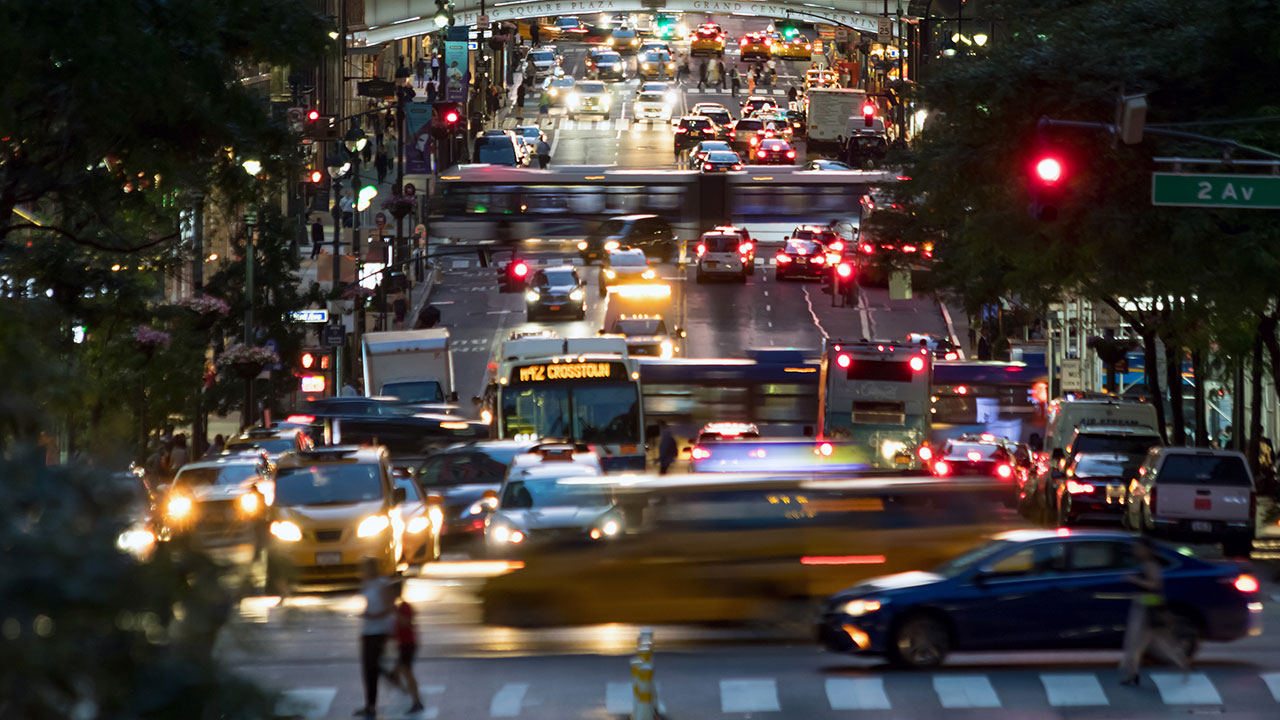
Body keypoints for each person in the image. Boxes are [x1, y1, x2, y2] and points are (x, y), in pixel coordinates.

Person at [1119, 538, 1188, 685]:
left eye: (1139, 548)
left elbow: (1154, 584)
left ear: (1147, 550)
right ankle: (1133, 672)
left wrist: (1134, 580)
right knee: (1146, 642)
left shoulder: (1151, 565)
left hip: (1147, 607)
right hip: (1145, 606)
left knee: (1140, 642)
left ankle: (1179, 662)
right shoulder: (1145, 564)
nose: (1136, 551)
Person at [354, 557, 394, 717]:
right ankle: (370, 704)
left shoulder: (382, 584)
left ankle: (394, 680)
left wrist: (374, 617)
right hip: (367, 632)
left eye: (364, 568)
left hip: (379, 631)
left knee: (373, 667)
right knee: (368, 669)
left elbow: (390, 607)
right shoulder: (366, 585)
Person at [384, 580, 424, 713]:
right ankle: (409, 693)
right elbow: (397, 629)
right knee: (402, 671)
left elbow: (406, 623)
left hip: (408, 644)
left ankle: (415, 700)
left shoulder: (404, 607)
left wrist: (394, 612)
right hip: (404, 644)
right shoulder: (400, 607)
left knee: (407, 672)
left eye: (390, 593)